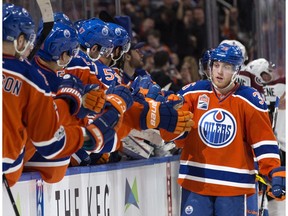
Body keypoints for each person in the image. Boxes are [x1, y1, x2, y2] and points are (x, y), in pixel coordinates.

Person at [160, 43, 285, 216]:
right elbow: (178, 137)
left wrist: (273, 171)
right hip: (196, 182)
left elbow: (263, 140)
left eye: (226, 67)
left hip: (233, 186)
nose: (219, 72)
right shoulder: (192, 93)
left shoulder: (250, 100)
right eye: (216, 65)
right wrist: (168, 121)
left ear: (237, 70)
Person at [3, 4, 86, 186]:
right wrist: (86, 134)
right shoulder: (30, 78)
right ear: (20, 39)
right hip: (7, 170)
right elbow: (49, 145)